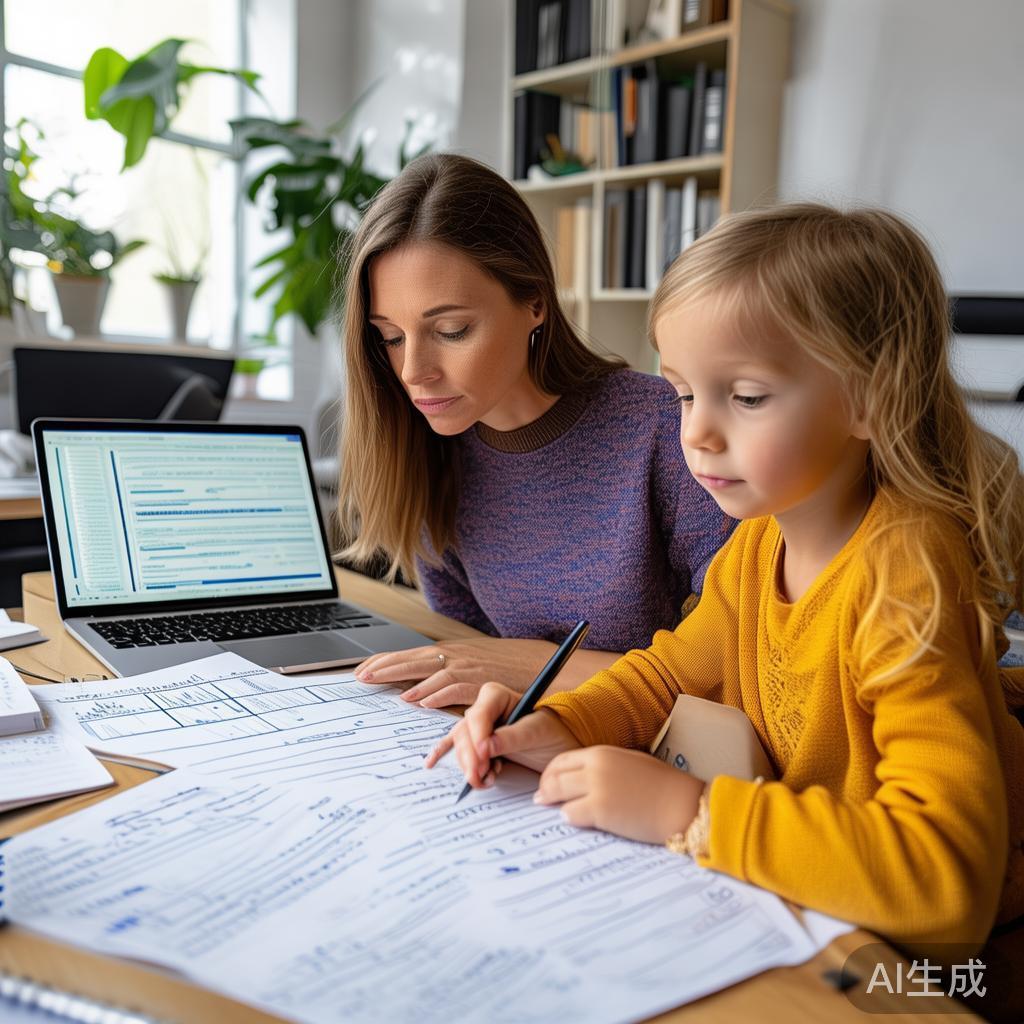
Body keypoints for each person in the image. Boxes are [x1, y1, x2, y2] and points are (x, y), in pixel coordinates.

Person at [429, 202, 1024, 949]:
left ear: (872, 400)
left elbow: (948, 880)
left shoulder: (904, 578)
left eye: (745, 397)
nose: (696, 433)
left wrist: (692, 812)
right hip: (812, 907)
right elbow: (668, 676)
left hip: (932, 971)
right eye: (682, 392)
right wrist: (556, 725)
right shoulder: (757, 544)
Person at [337, 153, 728, 708]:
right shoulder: (428, 450)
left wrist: (536, 663)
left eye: (450, 330)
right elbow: (477, 659)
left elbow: (732, 660)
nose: (411, 371)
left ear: (535, 303)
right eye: (391, 337)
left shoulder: (669, 427)